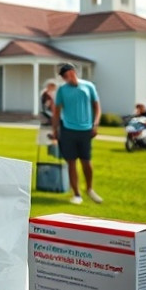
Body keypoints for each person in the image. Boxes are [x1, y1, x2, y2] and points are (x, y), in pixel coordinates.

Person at [51, 63, 103, 205]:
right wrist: (55, 130)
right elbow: (56, 112)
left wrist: (96, 124)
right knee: (71, 162)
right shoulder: (62, 90)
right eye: (65, 77)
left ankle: (90, 189)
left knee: (86, 161)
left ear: (74, 72)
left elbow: (97, 107)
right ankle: (76, 194)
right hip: (68, 130)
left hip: (86, 129)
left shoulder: (89, 86)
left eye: (69, 75)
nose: (68, 78)